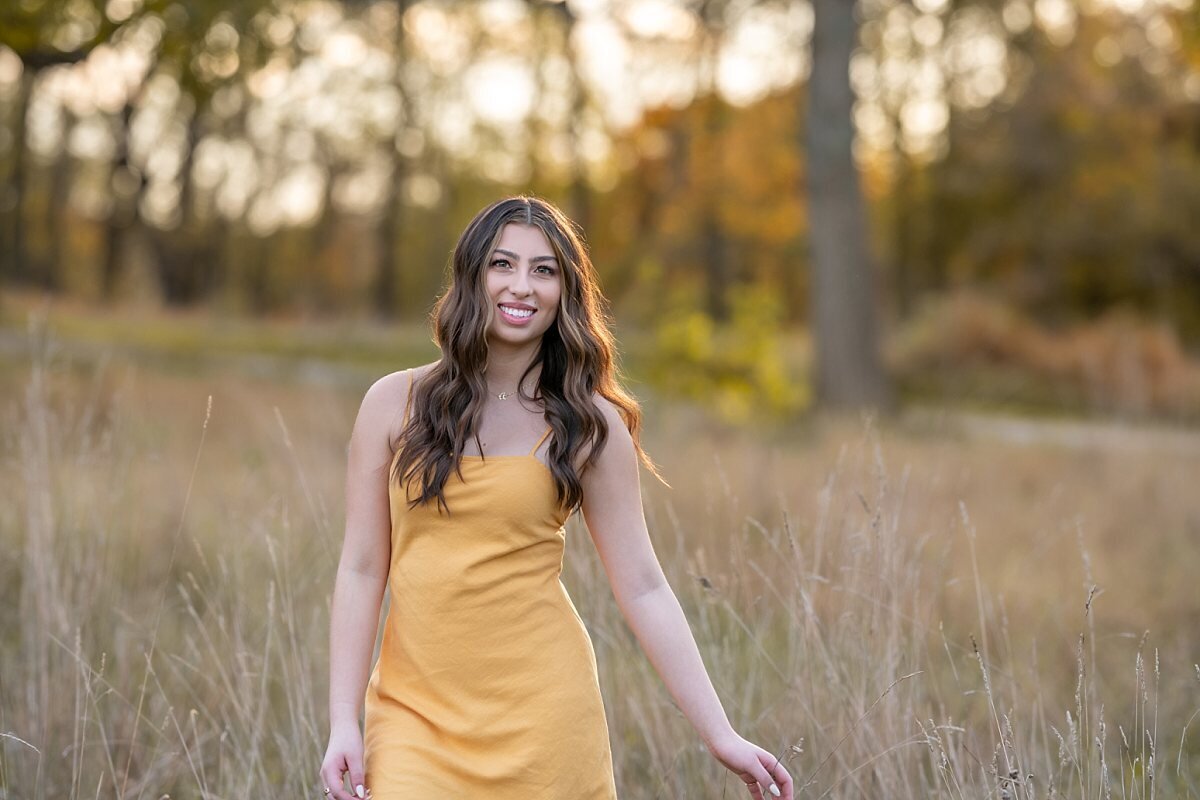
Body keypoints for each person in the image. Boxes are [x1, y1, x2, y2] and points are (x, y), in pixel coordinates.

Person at [319, 196, 793, 799]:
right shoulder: (394, 403)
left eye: (544, 270)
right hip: (413, 718)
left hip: (545, 719)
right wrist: (343, 723)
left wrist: (721, 734)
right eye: (503, 264)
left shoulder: (588, 423)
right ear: (472, 276)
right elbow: (362, 569)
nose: (522, 286)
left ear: (566, 292)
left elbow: (644, 585)